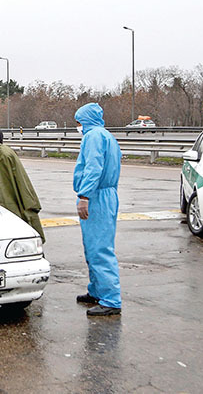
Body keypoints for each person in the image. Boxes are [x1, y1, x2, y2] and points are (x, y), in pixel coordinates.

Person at [73, 102, 122, 316]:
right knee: (93, 246)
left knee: (100, 249)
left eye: (78, 122)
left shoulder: (93, 137)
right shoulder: (107, 136)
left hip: (97, 196)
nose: (78, 126)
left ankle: (111, 300)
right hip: (106, 194)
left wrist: (84, 196)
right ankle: (97, 290)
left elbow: (93, 167)